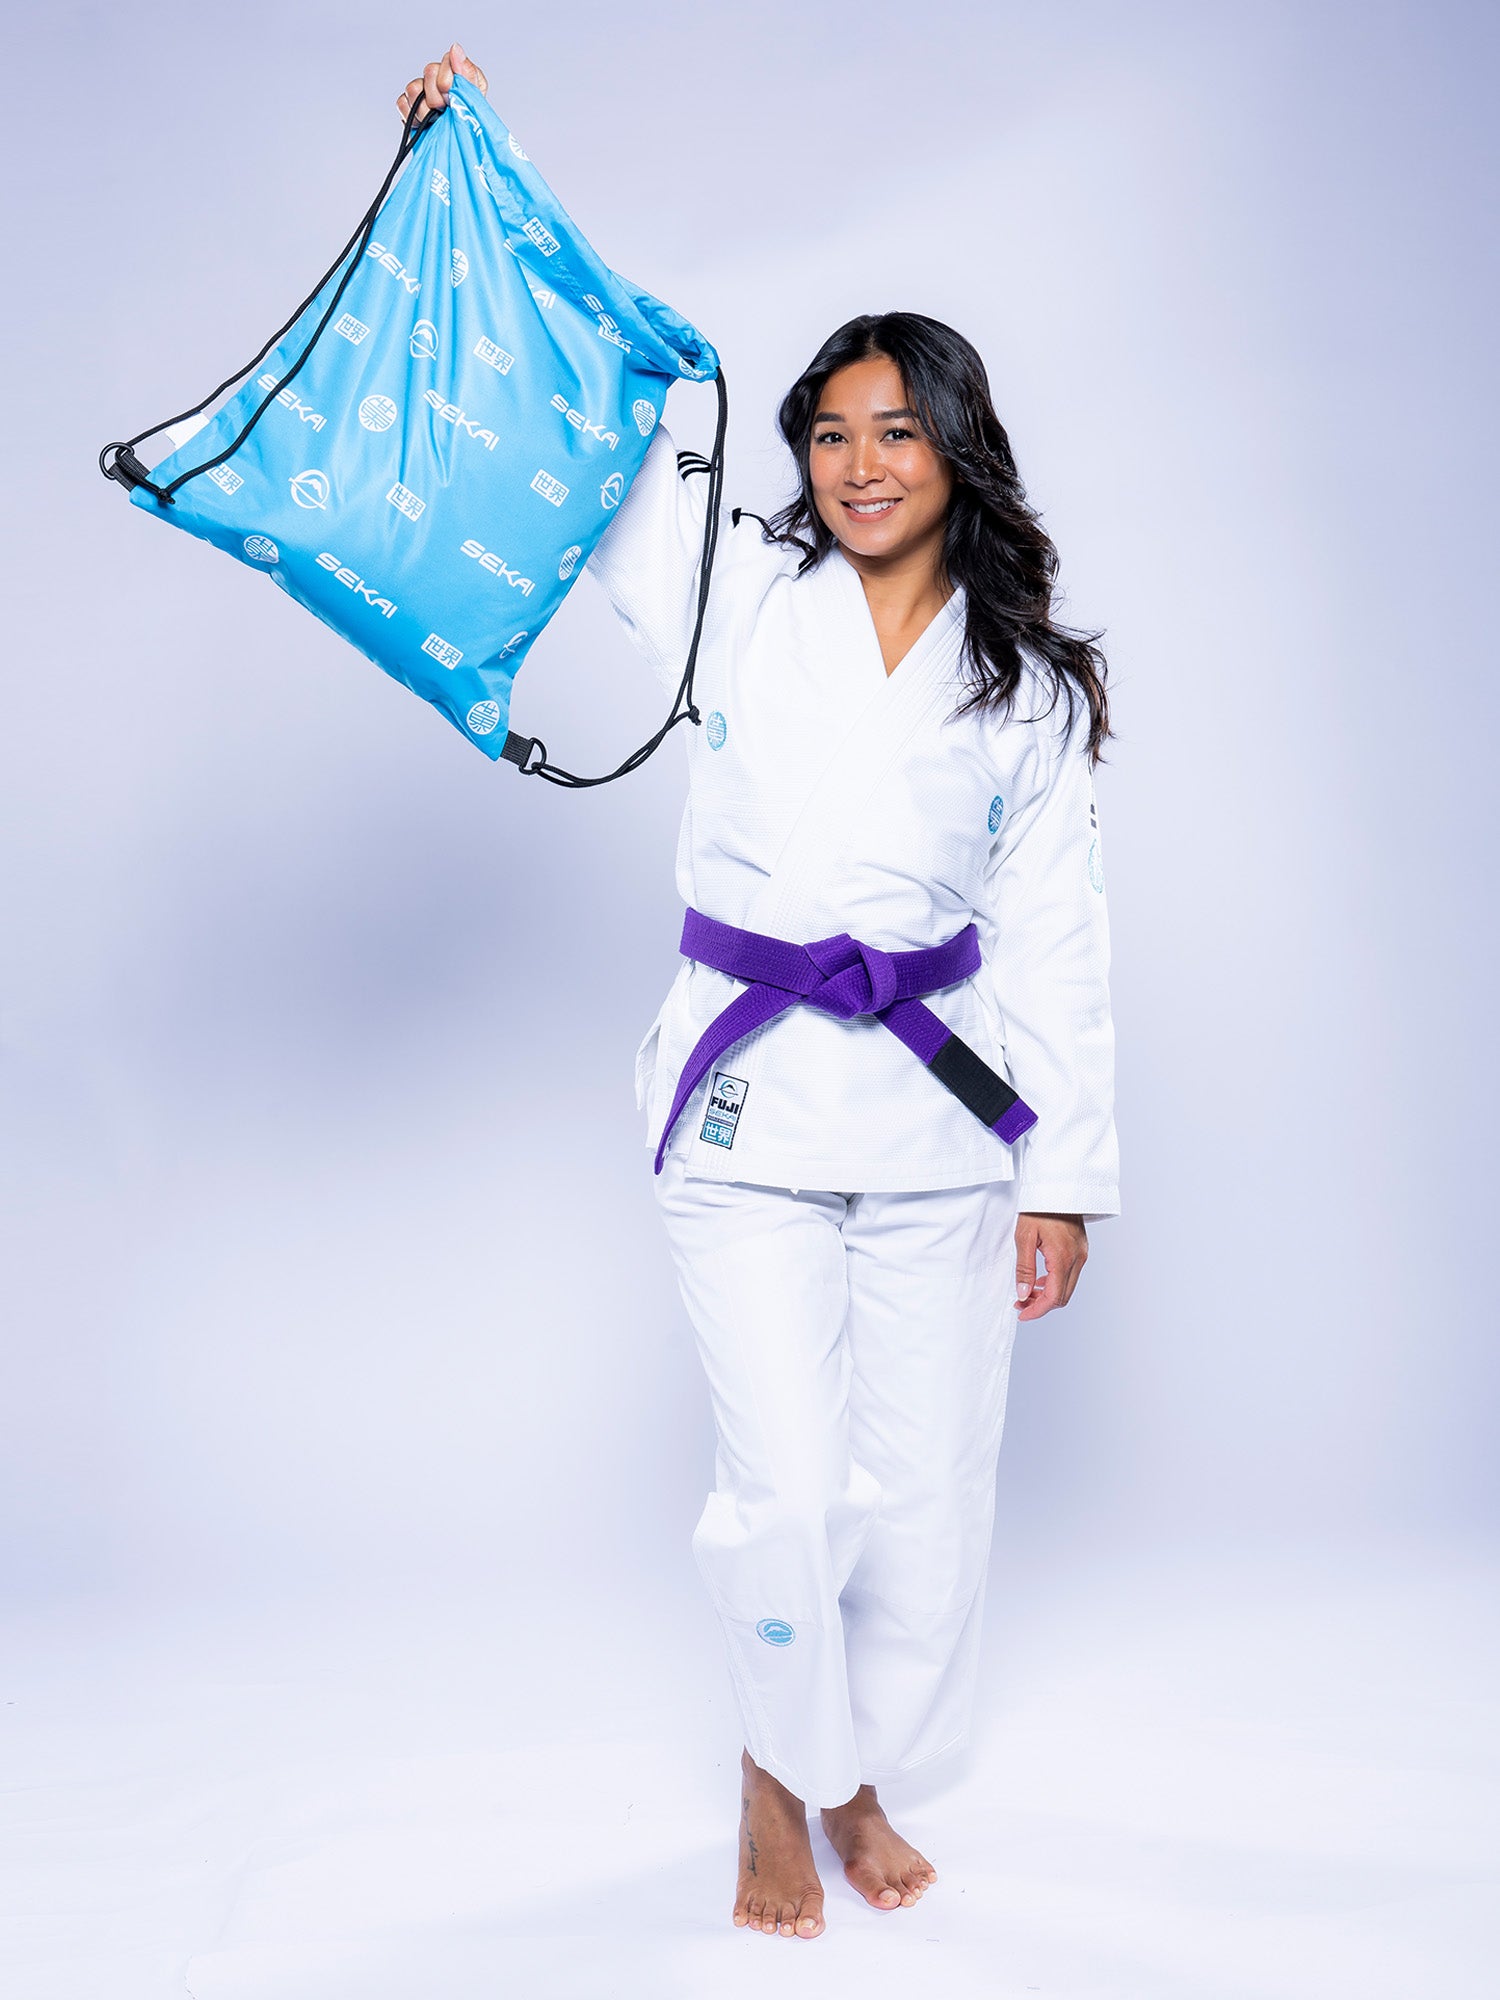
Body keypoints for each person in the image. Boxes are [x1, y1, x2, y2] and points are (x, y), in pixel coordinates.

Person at [400, 45, 1119, 1943]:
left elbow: (1057, 935)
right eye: (830, 432)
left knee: (923, 1519)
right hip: (742, 1100)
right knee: (784, 1499)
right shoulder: (729, 587)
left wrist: (1067, 1175)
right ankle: (770, 1794)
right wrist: (458, 186)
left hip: (950, 1117)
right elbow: (565, 412)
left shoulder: (1023, 690)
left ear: (959, 446)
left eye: (897, 432)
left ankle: (847, 1773)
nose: (860, 466)